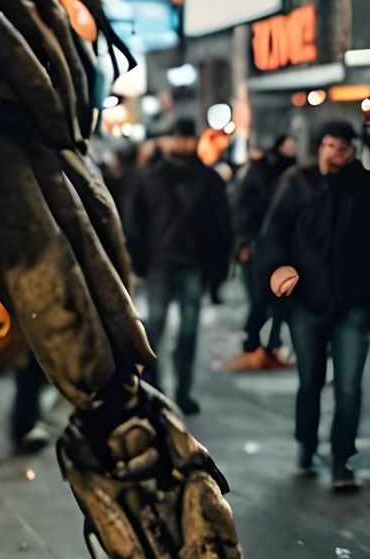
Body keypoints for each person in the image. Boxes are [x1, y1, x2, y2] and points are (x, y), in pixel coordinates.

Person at [257, 120, 370, 492]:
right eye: (329, 146)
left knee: (349, 386)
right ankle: (306, 445)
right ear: (319, 146)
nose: (335, 154)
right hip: (306, 301)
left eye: (343, 148)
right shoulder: (297, 183)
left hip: (354, 304)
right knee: (310, 380)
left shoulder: (363, 185)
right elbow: (273, 232)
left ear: (353, 150)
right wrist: (279, 267)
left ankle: (342, 460)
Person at [126, 116, 232, 415]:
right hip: (161, 264)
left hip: (189, 263)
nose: (183, 143)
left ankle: (180, 392)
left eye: (186, 137)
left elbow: (222, 227)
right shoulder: (150, 178)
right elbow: (134, 223)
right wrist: (139, 260)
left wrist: (217, 268)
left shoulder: (208, 180)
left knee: (185, 331)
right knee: (157, 328)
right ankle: (154, 387)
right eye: (179, 137)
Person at [228, 133, 296, 369]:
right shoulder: (266, 173)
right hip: (261, 245)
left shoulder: (289, 174)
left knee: (276, 300)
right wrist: (244, 242)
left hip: (278, 246)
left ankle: (266, 344)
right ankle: (255, 343)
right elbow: (244, 210)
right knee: (262, 298)